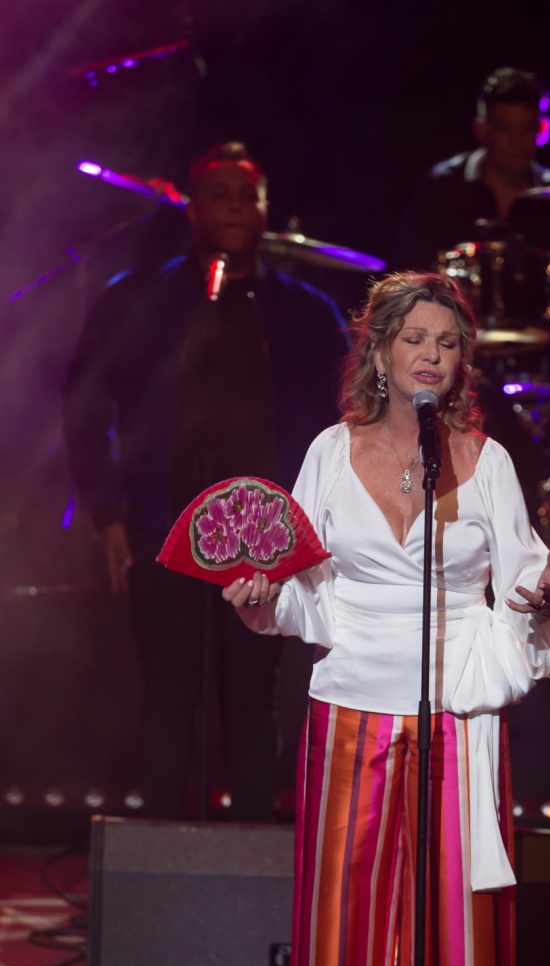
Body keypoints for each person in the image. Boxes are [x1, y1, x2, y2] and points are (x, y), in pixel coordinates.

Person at [224, 272, 550, 966]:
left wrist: (543, 600)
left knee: (457, 931)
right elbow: (300, 585)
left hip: (458, 715)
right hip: (351, 706)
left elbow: (526, 580)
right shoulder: (328, 453)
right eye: (415, 337)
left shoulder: (486, 462)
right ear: (378, 352)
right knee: (341, 925)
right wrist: (259, 599)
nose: (431, 354)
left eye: (447, 343)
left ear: (462, 364)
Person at [63, 142, 349, 822]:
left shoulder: (305, 313)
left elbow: (346, 422)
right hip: (161, 527)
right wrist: (106, 511)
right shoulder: (138, 299)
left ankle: (250, 850)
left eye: (248, 195)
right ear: (192, 208)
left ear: (267, 210)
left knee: (252, 697)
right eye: (219, 194)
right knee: (168, 693)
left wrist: (318, 525)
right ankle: (158, 853)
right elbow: (83, 404)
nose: (235, 208)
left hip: (267, 541)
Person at [395, 66, 550, 295]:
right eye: (504, 128)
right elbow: (408, 274)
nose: (516, 142)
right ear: (481, 129)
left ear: (544, 130)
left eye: (527, 128)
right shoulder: (443, 186)